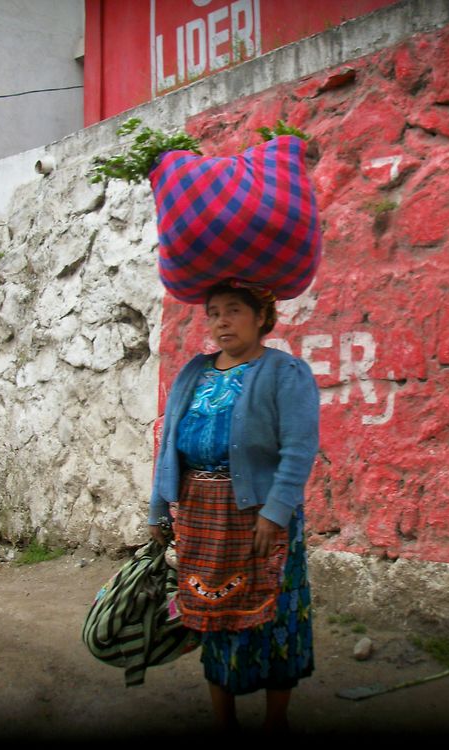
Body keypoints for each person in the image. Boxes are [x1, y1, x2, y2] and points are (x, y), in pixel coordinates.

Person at [149, 279, 320, 732]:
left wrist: (275, 511)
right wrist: (158, 508)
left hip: (261, 517)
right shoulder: (194, 372)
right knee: (212, 616)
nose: (221, 321)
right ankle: (224, 721)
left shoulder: (286, 372)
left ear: (262, 317)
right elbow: (169, 443)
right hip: (202, 517)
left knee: (274, 616)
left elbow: (299, 448)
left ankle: (275, 721)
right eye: (214, 312)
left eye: (234, 310)